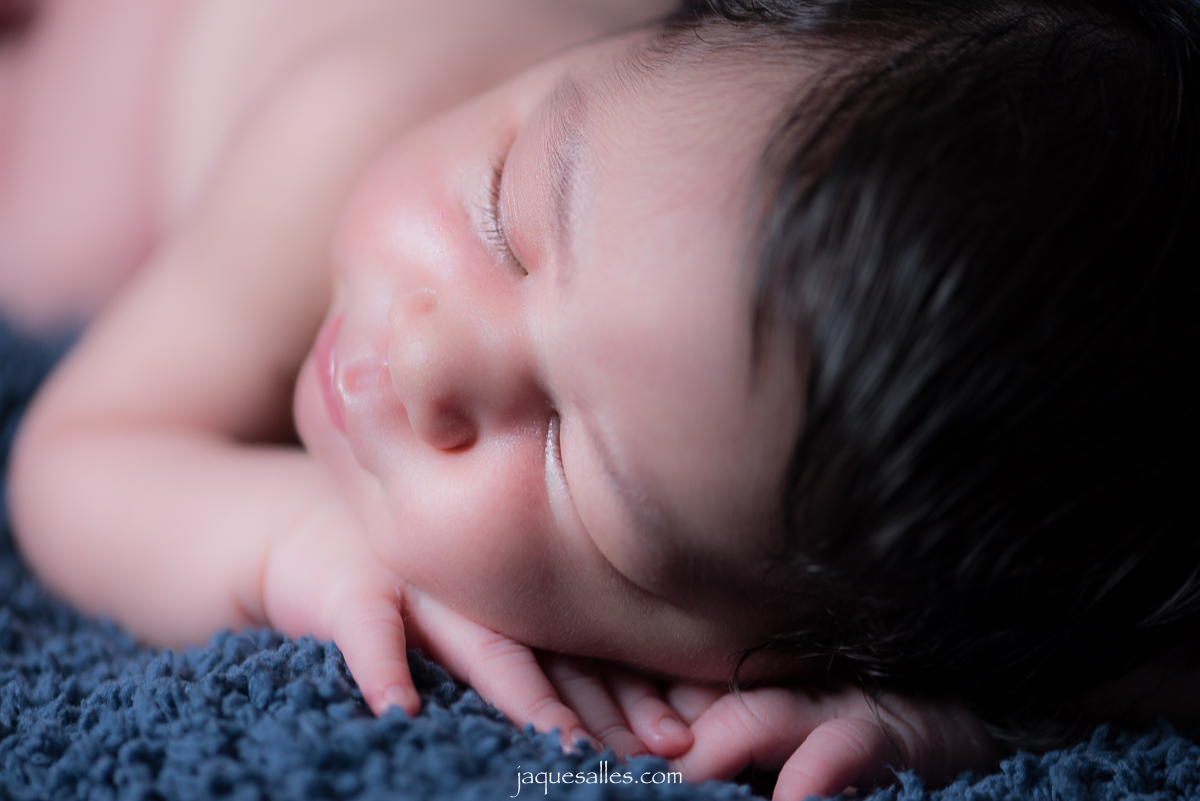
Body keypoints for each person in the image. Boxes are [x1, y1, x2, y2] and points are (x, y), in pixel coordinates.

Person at [5, 0, 1198, 799]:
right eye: (504, 219)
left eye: (581, 465)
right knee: (68, 241)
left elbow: (1146, 649)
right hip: (173, 41)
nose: (424, 359)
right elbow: (77, 451)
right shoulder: (343, 130)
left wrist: (941, 718)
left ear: (751, 654)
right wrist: (289, 546)